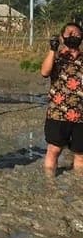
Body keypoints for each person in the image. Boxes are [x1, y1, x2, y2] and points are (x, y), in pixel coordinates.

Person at [40, 22, 83, 176]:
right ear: (62, 36)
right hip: (57, 114)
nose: (74, 36)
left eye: (77, 34)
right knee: (53, 150)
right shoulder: (56, 58)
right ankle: (50, 186)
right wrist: (53, 49)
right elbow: (44, 72)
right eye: (70, 33)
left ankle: (77, 185)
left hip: (80, 116)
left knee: (80, 155)